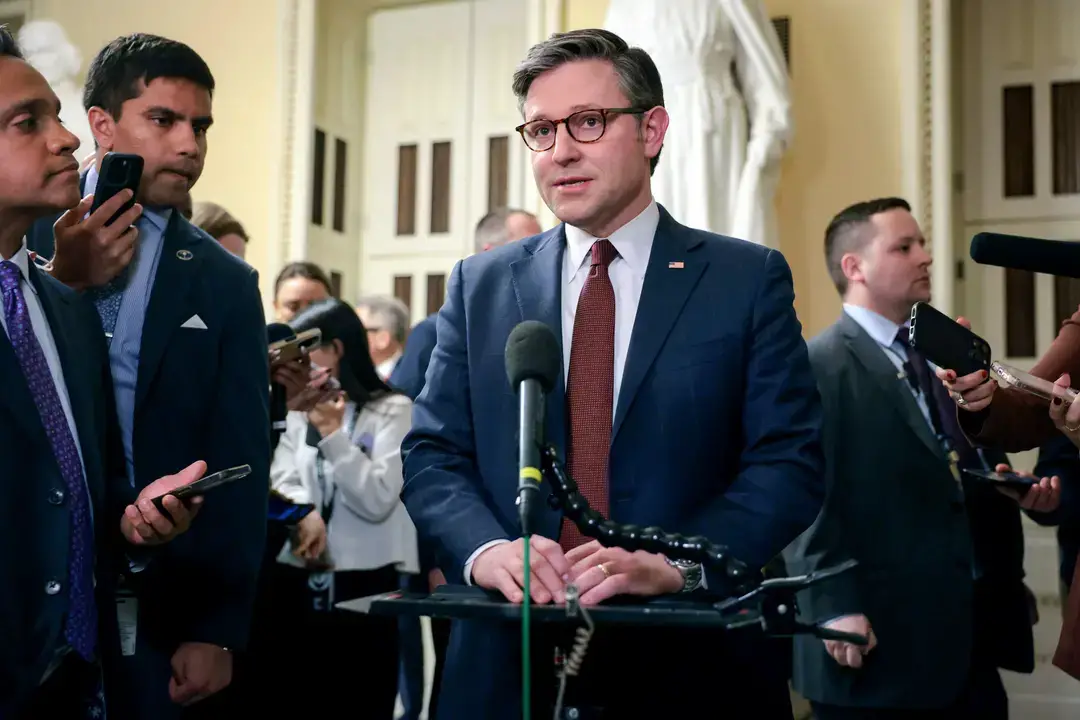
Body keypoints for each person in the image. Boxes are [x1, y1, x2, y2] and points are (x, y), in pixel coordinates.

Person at [401, 28, 824, 719]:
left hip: (692, 667)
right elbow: (433, 453)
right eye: (541, 130)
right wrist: (485, 550)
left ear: (651, 129)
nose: (561, 149)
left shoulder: (745, 280)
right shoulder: (480, 286)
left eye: (588, 122)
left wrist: (681, 565)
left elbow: (789, 463)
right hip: (509, 665)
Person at [25, 33, 271, 716]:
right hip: (27, 585)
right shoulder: (27, 234)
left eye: (201, 126)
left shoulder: (225, 283)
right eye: (164, 120)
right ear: (102, 124)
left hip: (157, 598)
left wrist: (215, 629)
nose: (189, 144)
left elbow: (241, 458)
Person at [0, 26, 206, 718]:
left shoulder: (63, 305)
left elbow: (77, 483)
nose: (63, 140)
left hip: (76, 679)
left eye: (55, 117)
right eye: (26, 123)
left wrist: (135, 518)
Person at [785, 197, 1054, 719]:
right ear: (854, 267)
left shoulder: (946, 354)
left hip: (968, 643)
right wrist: (831, 604)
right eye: (904, 246)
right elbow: (803, 497)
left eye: (923, 243)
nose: (925, 257)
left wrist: (1009, 485)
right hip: (876, 644)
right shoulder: (817, 365)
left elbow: (955, 469)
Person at [267, 299, 415, 718]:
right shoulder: (297, 406)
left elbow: (378, 498)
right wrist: (302, 516)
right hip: (298, 573)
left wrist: (333, 434)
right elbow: (281, 477)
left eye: (306, 354)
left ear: (336, 348)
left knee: (361, 698)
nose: (296, 367)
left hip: (365, 583)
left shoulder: (393, 409)